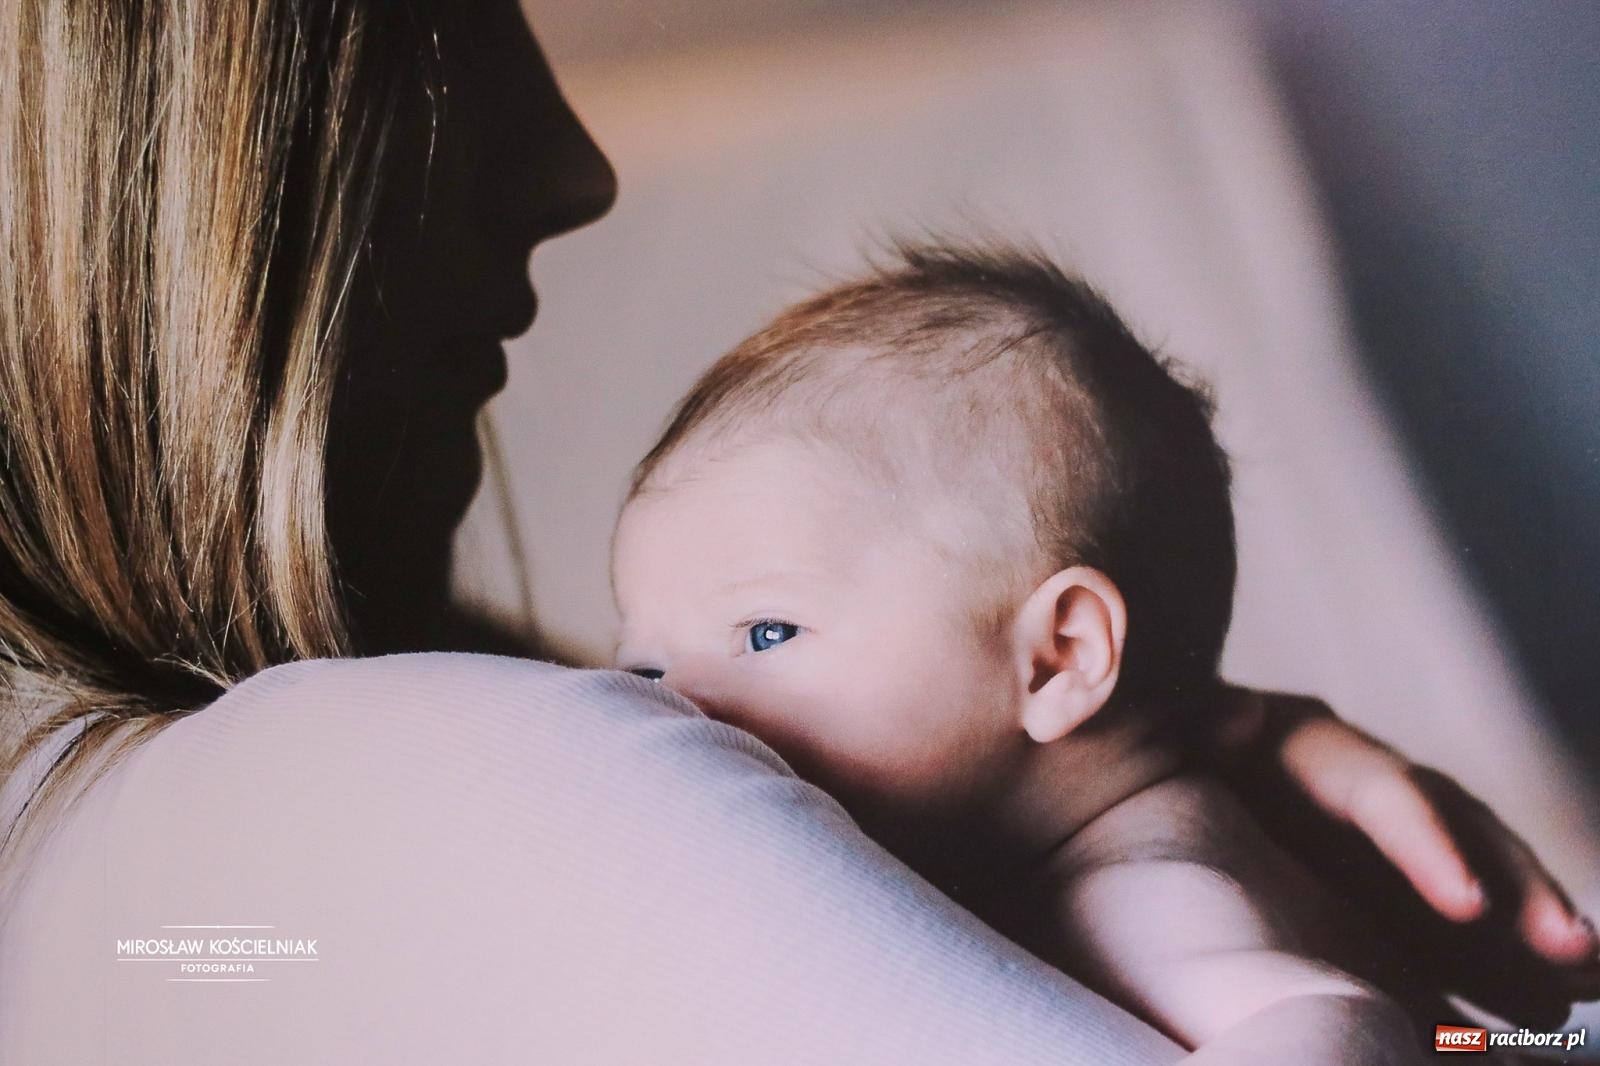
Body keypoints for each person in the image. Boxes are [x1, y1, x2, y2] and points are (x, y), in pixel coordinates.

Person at [0, 1, 1592, 1063]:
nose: (572, 160)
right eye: (437, 33)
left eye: (761, 636)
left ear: (1065, 653)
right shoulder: (410, 793)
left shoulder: (186, 859)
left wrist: (1196, 734)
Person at [608, 242, 1495, 1058]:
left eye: (768, 632)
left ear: (1059, 657)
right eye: (642, 667)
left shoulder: (1141, 894)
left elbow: (1336, 1024)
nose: (673, 701)